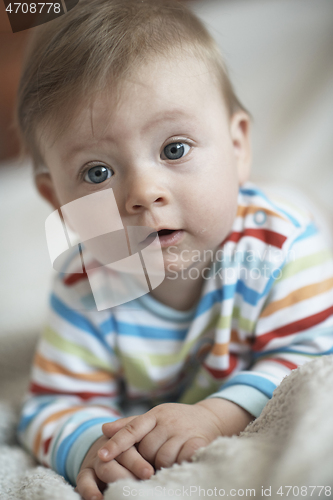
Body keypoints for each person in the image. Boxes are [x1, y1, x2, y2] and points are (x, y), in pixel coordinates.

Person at [15, 0, 333, 499]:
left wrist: (213, 414)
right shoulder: (84, 283)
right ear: (59, 201)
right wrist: (94, 449)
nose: (143, 192)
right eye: (97, 172)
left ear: (237, 147)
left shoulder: (281, 247)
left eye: (174, 149)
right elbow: (52, 405)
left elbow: (314, 354)